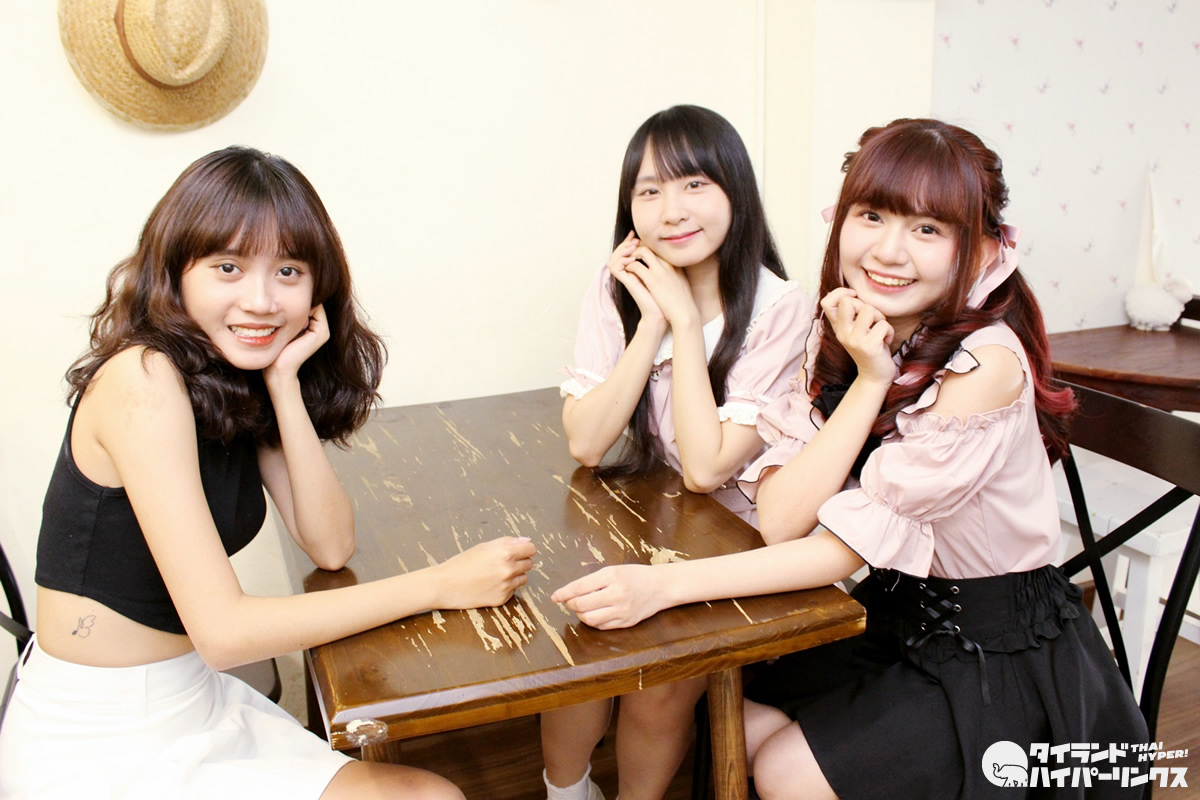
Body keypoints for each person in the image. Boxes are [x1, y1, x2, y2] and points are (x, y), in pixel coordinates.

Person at [552, 118, 1148, 799]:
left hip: (996, 647)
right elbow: (781, 520)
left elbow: (837, 551)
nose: (888, 251)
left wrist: (660, 587)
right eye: (872, 217)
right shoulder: (851, 326)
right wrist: (868, 380)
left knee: (781, 767)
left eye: (927, 229)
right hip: (893, 613)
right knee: (730, 717)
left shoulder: (985, 364)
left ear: (980, 249)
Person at [0, 146, 536, 800]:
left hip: (192, 700)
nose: (260, 300)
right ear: (176, 271)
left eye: (287, 271)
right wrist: (440, 584)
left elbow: (329, 543)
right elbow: (225, 634)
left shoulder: (232, 378)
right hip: (101, 738)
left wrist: (283, 383)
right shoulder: (142, 379)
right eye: (228, 267)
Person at [545, 106, 812, 800]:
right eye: (650, 190)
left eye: (694, 184)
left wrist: (687, 323)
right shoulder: (618, 287)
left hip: (743, 539)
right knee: (579, 643)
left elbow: (707, 468)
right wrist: (651, 323)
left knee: (659, 689)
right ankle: (565, 792)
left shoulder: (781, 308)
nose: (672, 210)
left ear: (735, 191)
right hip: (657, 520)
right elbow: (586, 442)